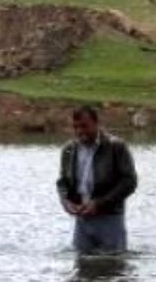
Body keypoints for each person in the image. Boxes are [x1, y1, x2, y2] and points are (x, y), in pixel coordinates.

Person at [56, 106, 138, 254]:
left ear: (96, 123)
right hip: (82, 221)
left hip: (110, 219)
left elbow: (129, 182)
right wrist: (66, 202)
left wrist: (99, 204)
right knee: (81, 268)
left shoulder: (116, 147)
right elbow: (62, 182)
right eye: (76, 127)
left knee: (113, 267)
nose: (80, 131)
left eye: (84, 126)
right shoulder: (69, 149)